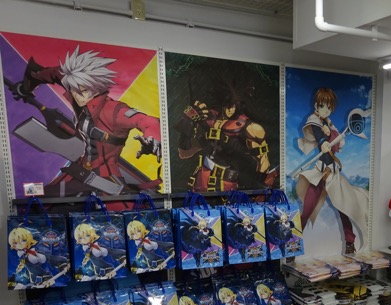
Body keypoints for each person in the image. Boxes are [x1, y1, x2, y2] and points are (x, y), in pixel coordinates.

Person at [11, 45, 162, 195]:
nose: (77, 96)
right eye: (73, 90)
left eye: (83, 91)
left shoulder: (113, 110)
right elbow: (56, 73)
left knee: (41, 196)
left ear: (97, 88)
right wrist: (28, 85)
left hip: (105, 181)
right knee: (32, 193)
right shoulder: (81, 97)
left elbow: (148, 121)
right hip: (80, 173)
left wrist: (152, 138)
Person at [296, 88, 369, 254]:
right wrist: (323, 141)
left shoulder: (329, 123)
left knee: (344, 207)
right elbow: (317, 134)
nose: (326, 110)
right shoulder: (314, 120)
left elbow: (337, 143)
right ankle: (293, 244)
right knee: (307, 210)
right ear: (316, 105)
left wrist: (331, 135)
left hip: (333, 173)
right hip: (320, 172)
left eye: (329, 108)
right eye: (323, 106)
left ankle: (350, 243)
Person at [176, 95, 277, 191]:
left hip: (227, 184)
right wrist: (187, 122)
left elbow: (263, 160)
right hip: (202, 178)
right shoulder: (210, 122)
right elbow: (184, 154)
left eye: (233, 105)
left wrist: (258, 185)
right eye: (228, 105)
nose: (230, 109)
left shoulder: (251, 128)